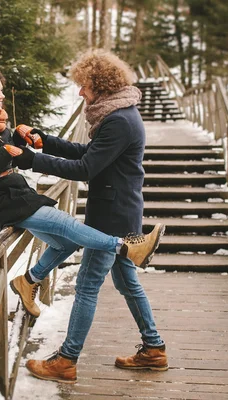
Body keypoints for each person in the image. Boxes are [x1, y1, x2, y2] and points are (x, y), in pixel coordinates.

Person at [0, 65, 164, 319]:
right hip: (1, 204)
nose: (1, 96)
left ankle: (29, 281)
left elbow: (18, 155)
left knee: (68, 241)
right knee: (65, 223)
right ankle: (126, 247)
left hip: (19, 196)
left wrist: (25, 141)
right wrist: (8, 152)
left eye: (1, 91)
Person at [11, 50, 168, 383]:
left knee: (86, 287)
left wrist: (29, 160)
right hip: (123, 210)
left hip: (112, 216)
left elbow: (85, 168)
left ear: (100, 84)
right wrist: (46, 142)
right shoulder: (118, 115)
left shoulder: (119, 120)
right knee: (127, 282)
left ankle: (66, 360)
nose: (80, 93)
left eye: (83, 86)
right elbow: (90, 154)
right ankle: (154, 348)